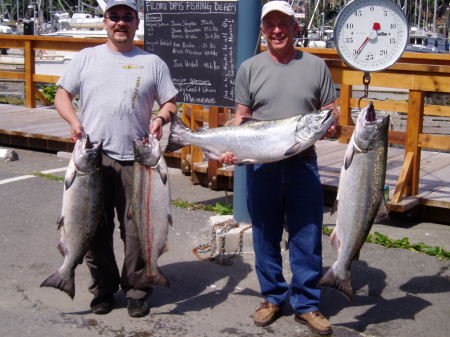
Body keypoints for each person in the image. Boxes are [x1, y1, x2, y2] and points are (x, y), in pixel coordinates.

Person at [220, 1, 338, 335]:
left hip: (303, 164)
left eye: (283, 24)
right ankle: (272, 297)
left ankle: (307, 303)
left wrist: (333, 123)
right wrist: (231, 148)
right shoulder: (250, 68)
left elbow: (331, 111)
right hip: (261, 166)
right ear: (262, 30)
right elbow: (241, 117)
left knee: (307, 235)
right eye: (269, 24)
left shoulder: (316, 66)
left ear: (294, 27)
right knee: (265, 235)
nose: (276, 30)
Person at [54, 0, 178, 318]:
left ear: (137, 23)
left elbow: (170, 103)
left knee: (137, 230)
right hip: (92, 161)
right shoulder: (85, 58)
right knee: (92, 228)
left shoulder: (153, 62)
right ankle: (103, 290)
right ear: (105, 22)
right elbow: (62, 95)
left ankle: (137, 289)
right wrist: (73, 121)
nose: (120, 23)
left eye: (127, 17)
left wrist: (161, 119)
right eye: (114, 17)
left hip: (138, 160)